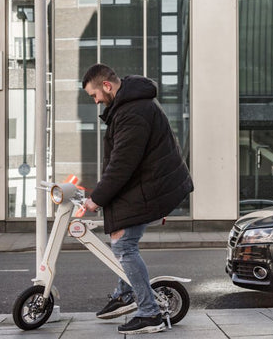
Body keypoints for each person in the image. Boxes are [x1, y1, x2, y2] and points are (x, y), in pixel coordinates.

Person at [82, 63, 193, 335]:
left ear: (107, 86)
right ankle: (125, 294)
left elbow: (122, 164)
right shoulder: (129, 106)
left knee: (123, 245)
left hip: (150, 189)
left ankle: (149, 313)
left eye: (94, 95)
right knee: (121, 240)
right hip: (147, 186)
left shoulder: (133, 112)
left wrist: (96, 199)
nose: (95, 101)